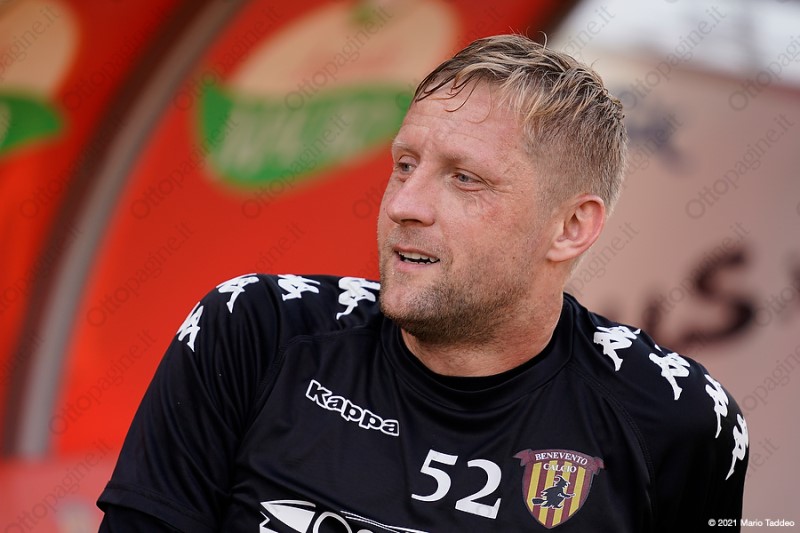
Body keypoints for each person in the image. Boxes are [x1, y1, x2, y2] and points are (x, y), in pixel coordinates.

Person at [97, 34, 748, 532]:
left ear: (571, 227)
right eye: (405, 164)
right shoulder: (255, 330)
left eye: (465, 178)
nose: (405, 204)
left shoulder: (677, 418)